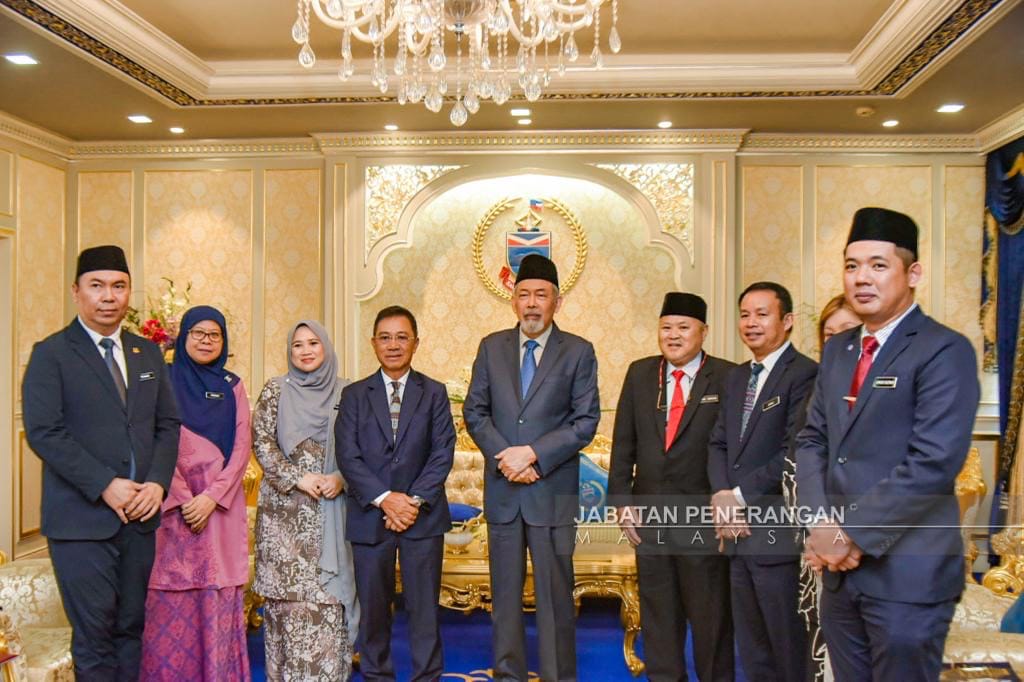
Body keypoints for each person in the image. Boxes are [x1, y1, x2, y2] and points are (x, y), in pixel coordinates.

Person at [796, 207, 979, 681]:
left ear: (912, 273)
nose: (861, 278)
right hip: (841, 575)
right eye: (852, 265)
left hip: (907, 578)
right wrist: (820, 524)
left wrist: (849, 534)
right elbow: (813, 440)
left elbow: (932, 462)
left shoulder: (944, 349)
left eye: (878, 265)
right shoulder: (840, 350)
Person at [21, 244, 180, 681]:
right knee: (95, 638)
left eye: (118, 286)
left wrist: (157, 484)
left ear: (129, 292)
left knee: (131, 630)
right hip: (80, 522)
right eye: (97, 286)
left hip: (140, 518)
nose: (109, 296)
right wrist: (105, 484)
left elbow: (167, 425)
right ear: (76, 292)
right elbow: (45, 431)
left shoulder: (147, 353)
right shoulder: (51, 353)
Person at [463, 254, 600, 682]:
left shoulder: (578, 351)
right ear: (513, 301)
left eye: (541, 295)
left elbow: (585, 421)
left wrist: (533, 454)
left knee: (556, 598)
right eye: (524, 295)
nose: (532, 303)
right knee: (504, 599)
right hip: (505, 493)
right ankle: (509, 675)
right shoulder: (491, 347)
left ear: (558, 301)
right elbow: (475, 411)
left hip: (551, 492)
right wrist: (508, 457)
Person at [608, 292, 736, 682]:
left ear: (704, 332)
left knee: (710, 620)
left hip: (704, 519)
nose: (673, 335)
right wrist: (621, 500)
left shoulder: (728, 376)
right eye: (666, 327)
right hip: (650, 519)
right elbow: (623, 442)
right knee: (659, 619)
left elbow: (735, 449)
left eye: (683, 327)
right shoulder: (640, 373)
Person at [337, 305, 456, 681]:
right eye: (385, 338)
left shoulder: (434, 392)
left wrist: (412, 501)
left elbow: (442, 452)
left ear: (416, 343)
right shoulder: (354, 395)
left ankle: (427, 676)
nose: (393, 345)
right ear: (373, 343)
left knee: (424, 610)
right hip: (371, 516)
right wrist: (385, 499)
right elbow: (348, 455)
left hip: (423, 518)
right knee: (374, 610)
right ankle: (377, 675)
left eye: (402, 337)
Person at [708, 281, 818, 682]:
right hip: (736, 535)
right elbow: (718, 443)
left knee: (787, 645)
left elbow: (793, 452)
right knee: (752, 647)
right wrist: (722, 496)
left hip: (776, 532)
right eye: (744, 315)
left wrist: (737, 497)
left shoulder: (804, 374)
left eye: (761, 314)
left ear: (786, 321)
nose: (751, 323)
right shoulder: (736, 377)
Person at [140, 305, 251, 680]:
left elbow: (241, 448)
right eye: (198, 333)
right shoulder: (161, 379)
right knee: (167, 603)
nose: (206, 340)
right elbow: (152, 440)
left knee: (216, 596)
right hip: (171, 510)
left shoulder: (233, 385)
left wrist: (211, 498)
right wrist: (184, 498)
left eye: (214, 334)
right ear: (183, 336)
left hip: (219, 512)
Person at [252, 320, 359, 681]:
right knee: (287, 609)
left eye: (313, 342)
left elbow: (362, 447)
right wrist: (299, 477)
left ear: (326, 346)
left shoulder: (348, 393)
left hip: (332, 518)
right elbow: (262, 444)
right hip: (283, 523)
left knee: (328, 605)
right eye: (297, 345)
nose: (305, 350)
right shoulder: (275, 391)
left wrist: (341, 478)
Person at [795, 294, 863, 682]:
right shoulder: (818, 389)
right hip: (822, 542)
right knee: (829, 646)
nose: (837, 341)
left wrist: (849, 538)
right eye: (829, 333)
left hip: (877, 546)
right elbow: (805, 457)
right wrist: (821, 530)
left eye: (847, 331)